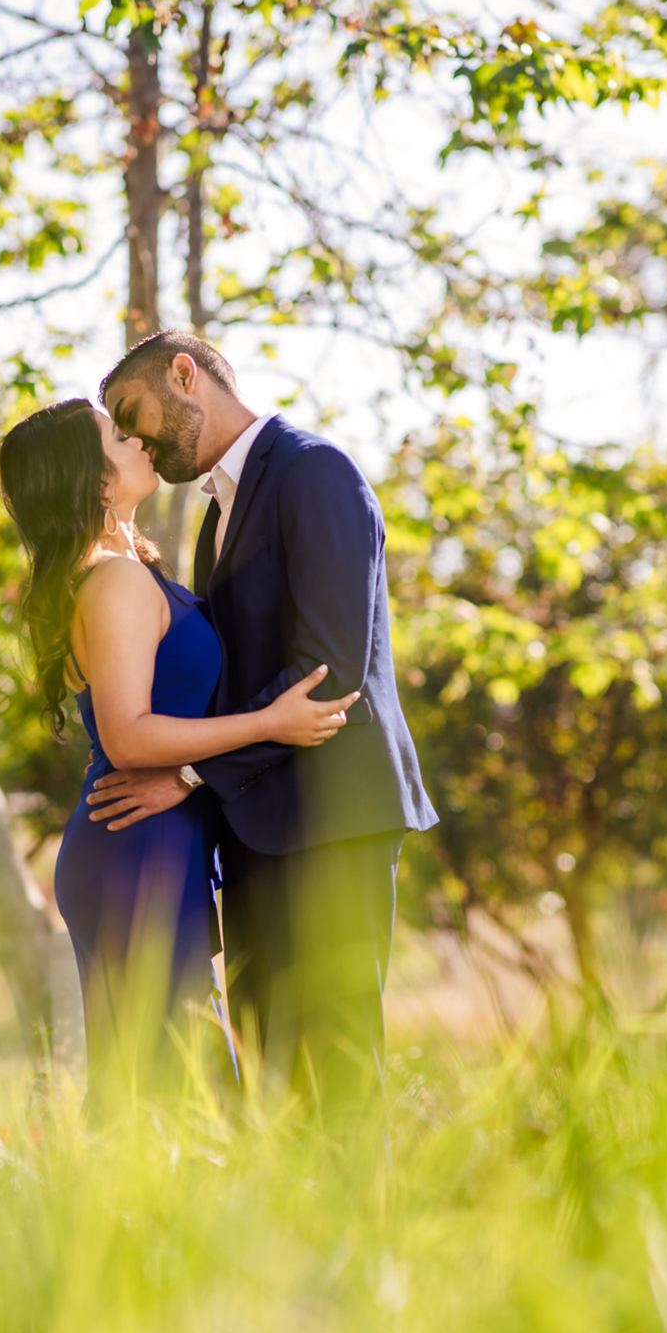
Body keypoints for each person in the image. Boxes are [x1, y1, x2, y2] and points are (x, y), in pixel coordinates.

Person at [82, 330, 438, 1122]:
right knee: (273, 1084)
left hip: (331, 824)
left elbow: (330, 673)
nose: (132, 438)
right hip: (253, 834)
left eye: (131, 415)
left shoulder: (315, 472)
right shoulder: (217, 514)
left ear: (185, 375)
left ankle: (362, 1247)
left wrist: (190, 774)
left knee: (337, 1075)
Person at [0, 396, 355, 1107]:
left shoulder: (127, 569)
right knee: (178, 1085)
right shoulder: (115, 581)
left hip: (150, 838)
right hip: (139, 843)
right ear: (93, 480)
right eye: (115, 435)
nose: (137, 441)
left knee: (156, 1077)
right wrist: (269, 723)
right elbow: (128, 735)